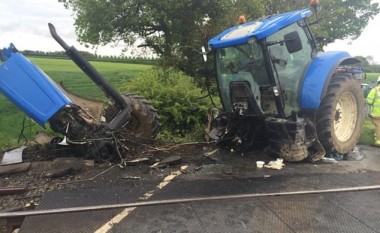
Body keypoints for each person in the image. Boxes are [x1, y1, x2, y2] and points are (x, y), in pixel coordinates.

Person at [366, 76, 380, 146]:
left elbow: (369, 101)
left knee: (378, 126)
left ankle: (378, 141)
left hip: (376, 113)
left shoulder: (375, 90)